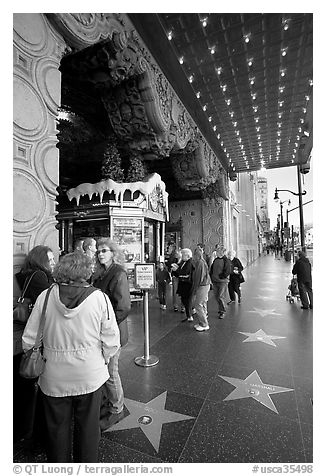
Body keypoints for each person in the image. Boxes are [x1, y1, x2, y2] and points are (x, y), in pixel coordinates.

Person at [22, 252, 120, 462]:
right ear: (87, 271)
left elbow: (29, 339)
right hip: (90, 376)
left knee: (56, 431)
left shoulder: (45, 296)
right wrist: (101, 360)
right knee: (89, 429)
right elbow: (112, 341)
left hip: (53, 376)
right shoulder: (99, 298)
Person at [14, 245, 55, 447]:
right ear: (40, 260)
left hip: (21, 333)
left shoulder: (24, 274)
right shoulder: (40, 277)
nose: (53, 263)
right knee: (35, 389)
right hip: (36, 335)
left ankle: (22, 429)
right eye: (50, 259)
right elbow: (51, 303)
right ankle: (31, 433)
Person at [92, 238, 131, 430]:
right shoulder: (100, 272)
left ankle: (117, 410)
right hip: (100, 331)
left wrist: (106, 326)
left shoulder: (118, 273)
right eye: (98, 251)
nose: (100, 254)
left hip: (112, 332)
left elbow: (123, 307)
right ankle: (109, 404)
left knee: (111, 373)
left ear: (113, 253)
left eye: (104, 250)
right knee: (104, 371)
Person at [191, 247, 211, 331]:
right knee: (202, 303)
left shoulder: (200, 263)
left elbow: (199, 277)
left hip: (202, 286)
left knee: (198, 304)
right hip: (205, 285)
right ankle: (202, 321)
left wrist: (194, 289)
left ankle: (204, 324)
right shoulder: (202, 262)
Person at [171, 248, 194, 322]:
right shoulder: (184, 262)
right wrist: (175, 270)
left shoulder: (189, 262)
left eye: (183, 254)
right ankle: (189, 314)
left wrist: (177, 270)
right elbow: (180, 271)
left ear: (187, 255)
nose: (182, 256)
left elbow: (185, 272)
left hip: (187, 284)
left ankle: (190, 315)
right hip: (183, 283)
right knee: (184, 299)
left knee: (187, 300)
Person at [209, 245, 231, 319]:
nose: (217, 252)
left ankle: (222, 311)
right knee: (216, 296)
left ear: (222, 252)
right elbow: (212, 268)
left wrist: (221, 276)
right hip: (215, 281)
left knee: (221, 296)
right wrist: (211, 276)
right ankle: (221, 308)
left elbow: (227, 271)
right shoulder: (216, 260)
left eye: (218, 251)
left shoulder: (226, 261)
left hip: (222, 281)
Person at [166, 245, 182, 311]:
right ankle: (175, 305)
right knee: (175, 292)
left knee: (182, 292)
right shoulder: (174, 259)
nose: (177, 254)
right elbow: (169, 265)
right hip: (175, 277)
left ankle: (182, 306)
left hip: (181, 277)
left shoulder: (183, 261)